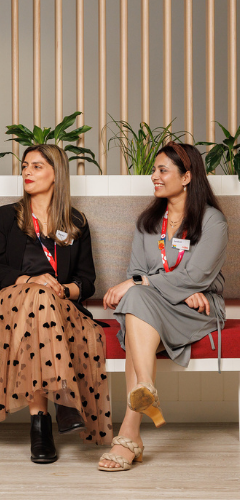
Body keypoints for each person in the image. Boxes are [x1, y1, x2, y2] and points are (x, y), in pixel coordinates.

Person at [0, 144, 111, 464]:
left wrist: (64, 290)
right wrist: (29, 281)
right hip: (9, 305)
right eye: (24, 167)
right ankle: (64, 401)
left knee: (44, 302)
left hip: (58, 308)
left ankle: (40, 425)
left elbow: (88, 281)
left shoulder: (76, 222)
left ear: (56, 174)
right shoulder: (5, 216)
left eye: (36, 167)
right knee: (38, 297)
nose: (27, 173)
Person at [98, 142, 227, 472]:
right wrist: (175, 286)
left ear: (186, 177)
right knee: (137, 300)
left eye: (162, 170)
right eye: (154, 170)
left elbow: (198, 275)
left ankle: (130, 432)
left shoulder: (212, 221)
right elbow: (138, 274)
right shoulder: (148, 222)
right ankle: (142, 396)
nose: (153, 176)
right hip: (167, 301)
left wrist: (148, 283)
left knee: (136, 299)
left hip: (198, 309)